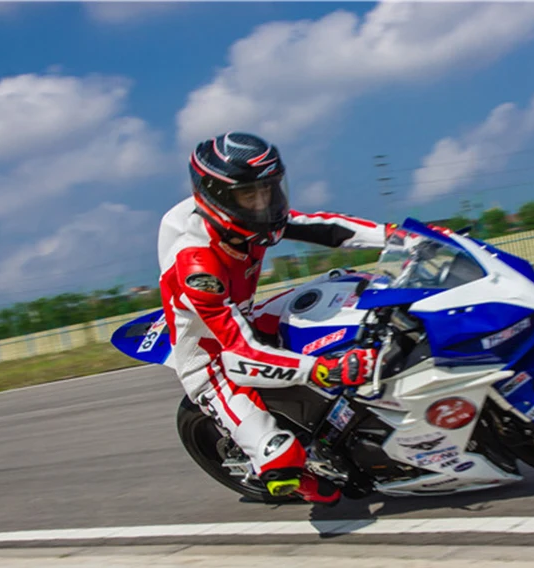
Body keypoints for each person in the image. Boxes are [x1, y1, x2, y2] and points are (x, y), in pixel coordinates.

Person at [157, 132, 396, 506]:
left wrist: (395, 235)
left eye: (268, 189)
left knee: (354, 296)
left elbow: (325, 227)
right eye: (249, 195)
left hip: (245, 316)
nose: (263, 203)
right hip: (215, 361)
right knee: (283, 465)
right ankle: (287, 470)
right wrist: (322, 370)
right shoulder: (198, 267)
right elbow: (241, 352)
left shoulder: (249, 220)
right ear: (219, 199)